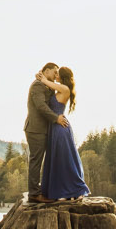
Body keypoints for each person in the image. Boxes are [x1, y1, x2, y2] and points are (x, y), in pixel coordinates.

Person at [39, 65, 88, 201]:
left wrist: (43, 77)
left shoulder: (65, 89)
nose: (56, 76)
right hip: (55, 127)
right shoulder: (60, 89)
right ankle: (62, 192)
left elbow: (47, 83)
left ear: (63, 77)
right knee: (58, 160)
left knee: (65, 159)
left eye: (58, 74)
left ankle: (76, 190)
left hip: (61, 128)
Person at [23, 62, 63, 204]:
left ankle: (42, 190)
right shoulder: (37, 85)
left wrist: (45, 79)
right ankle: (34, 194)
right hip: (35, 129)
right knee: (36, 160)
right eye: (54, 72)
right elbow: (41, 106)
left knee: (43, 161)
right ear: (46, 71)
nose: (56, 75)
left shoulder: (44, 84)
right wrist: (56, 118)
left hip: (44, 129)